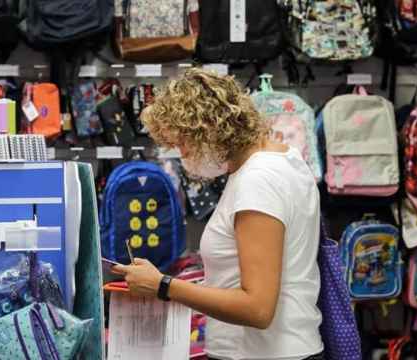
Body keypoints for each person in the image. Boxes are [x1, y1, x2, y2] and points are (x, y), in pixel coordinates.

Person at [113, 69, 323, 360]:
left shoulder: (258, 179)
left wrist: (163, 285)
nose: (182, 155)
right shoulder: (285, 160)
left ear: (208, 129)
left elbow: (258, 308)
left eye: (182, 144)